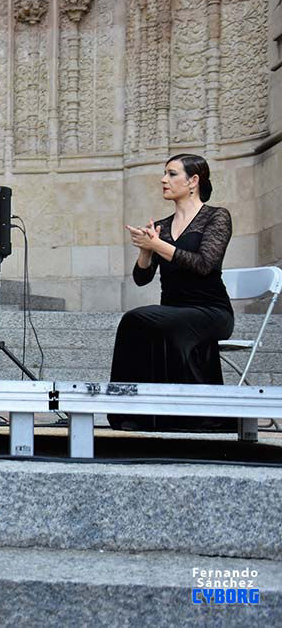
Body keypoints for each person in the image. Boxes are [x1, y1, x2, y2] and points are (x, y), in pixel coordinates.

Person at [110, 153, 234, 431]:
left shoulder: (216, 217)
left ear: (193, 181)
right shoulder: (162, 227)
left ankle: (195, 413)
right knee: (140, 323)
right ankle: (131, 412)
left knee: (136, 319)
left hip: (212, 311)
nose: (163, 180)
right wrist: (145, 250)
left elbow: (204, 264)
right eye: (164, 174)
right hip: (173, 310)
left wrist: (157, 246)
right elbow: (142, 278)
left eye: (171, 174)